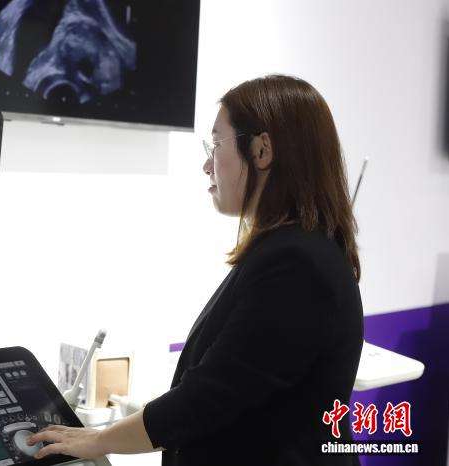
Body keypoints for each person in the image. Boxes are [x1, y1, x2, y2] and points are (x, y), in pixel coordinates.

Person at [28, 74, 364, 465]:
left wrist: (99, 441)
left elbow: (209, 397)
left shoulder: (297, 263)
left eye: (216, 144)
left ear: (262, 150)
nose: (207, 165)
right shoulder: (290, 251)